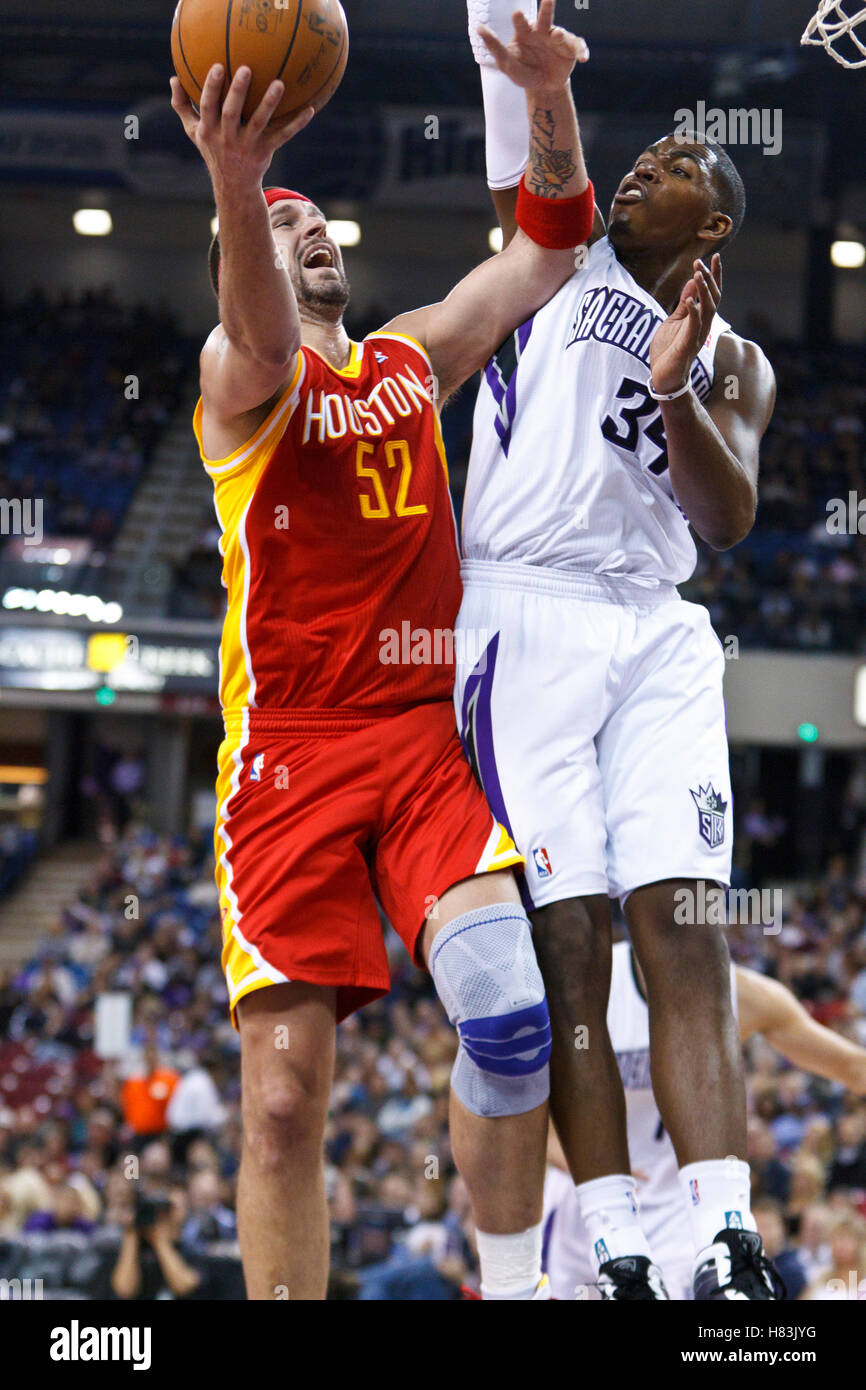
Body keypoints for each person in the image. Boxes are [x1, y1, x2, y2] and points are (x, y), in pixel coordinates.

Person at [170, 2, 596, 1300]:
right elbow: (249, 335)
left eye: (313, 218)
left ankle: (508, 1282)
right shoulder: (240, 383)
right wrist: (237, 183)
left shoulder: (410, 360)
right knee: (285, 1105)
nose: (307, 230)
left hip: (417, 742)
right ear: (242, 254)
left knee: (515, 1025)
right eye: (279, 224)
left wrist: (539, 95)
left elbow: (547, 247)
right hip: (289, 759)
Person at [460, 0, 777, 1297]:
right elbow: (533, 159)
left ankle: (722, 1232)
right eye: (632, 157)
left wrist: (671, 383)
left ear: (709, 225)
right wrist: (528, 59)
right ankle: (614, 1239)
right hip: (524, 608)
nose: (640, 167)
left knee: (682, 927)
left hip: (656, 627)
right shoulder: (548, 264)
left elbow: (727, 516)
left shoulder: (739, 363)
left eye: (675, 169)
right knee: (570, 942)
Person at [542, 941, 866, 1298]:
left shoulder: (739, 993)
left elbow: (851, 1067)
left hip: (676, 1204)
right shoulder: (589, 987)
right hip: (588, 1198)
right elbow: (522, 1103)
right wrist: (586, 1166)